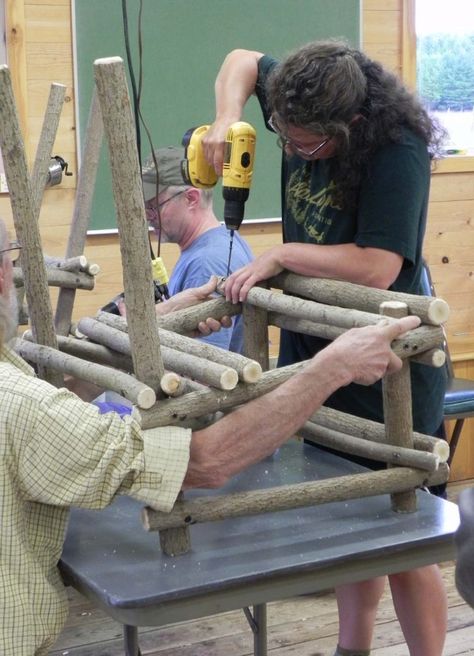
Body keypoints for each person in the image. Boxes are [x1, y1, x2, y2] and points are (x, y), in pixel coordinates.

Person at [0, 217, 420, 656]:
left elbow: (52, 394)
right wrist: (334, 367)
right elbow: (203, 461)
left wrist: (154, 324)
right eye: (12, 260)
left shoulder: (18, 389)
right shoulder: (21, 405)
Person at [202, 40, 448, 656]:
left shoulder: (398, 152)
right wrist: (229, 116)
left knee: (400, 525)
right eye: (281, 135)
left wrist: (282, 254)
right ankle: (352, 648)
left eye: (305, 144)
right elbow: (242, 59)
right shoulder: (300, 92)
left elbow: (377, 265)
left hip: (384, 360)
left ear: (352, 127)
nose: (290, 150)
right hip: (319, 347)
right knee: (345, 518)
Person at [141, 145, 254, 352]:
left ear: (191, 198)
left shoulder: (207, 262)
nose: (148, 215)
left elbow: (204, 366)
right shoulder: (220, 241)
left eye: (154, 206)